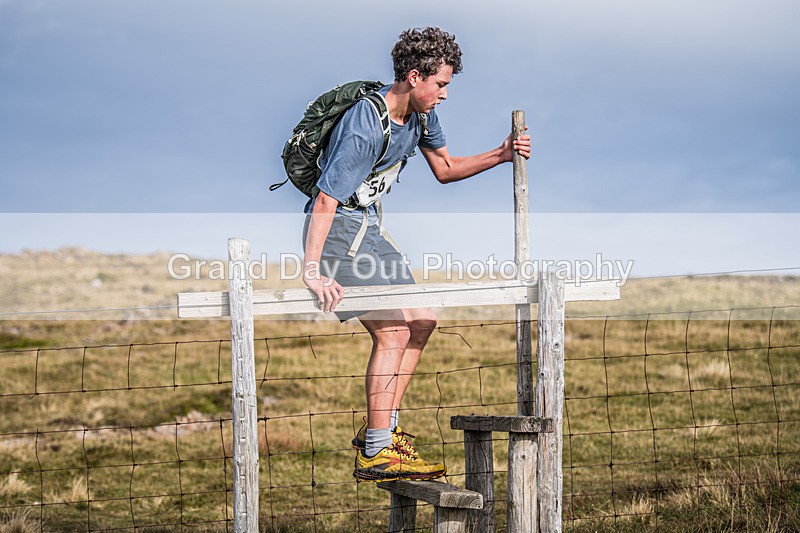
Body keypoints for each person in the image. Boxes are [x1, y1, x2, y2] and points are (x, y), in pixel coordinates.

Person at [301, 27, 531, 482]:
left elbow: (445, 169)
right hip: (337, 233)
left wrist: (502, 154)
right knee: (392, 333)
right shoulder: (366, 125)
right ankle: (377, 451)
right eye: (441, 84)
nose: (445, 94)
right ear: (413, 76)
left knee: (422, 319)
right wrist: (312, 271)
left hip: (368, 228)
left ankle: (380, 429)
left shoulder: (422, 117)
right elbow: (325, 201)